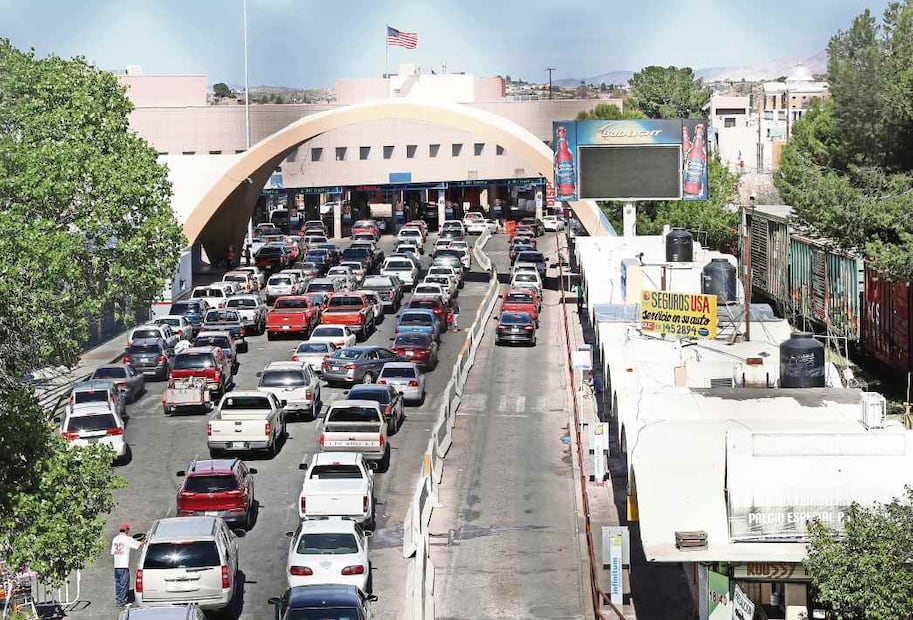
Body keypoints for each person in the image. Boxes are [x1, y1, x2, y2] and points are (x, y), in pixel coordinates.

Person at [111, 523, 142, 608]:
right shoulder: (127, 539)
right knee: (124, 584)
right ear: (126, 530)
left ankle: (119, 601)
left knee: (118, 584)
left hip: (116, 565)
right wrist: (144, 541)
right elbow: (138, 544)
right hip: (123, 565)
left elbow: (113, 552)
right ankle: (123, 603)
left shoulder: (115, 539)